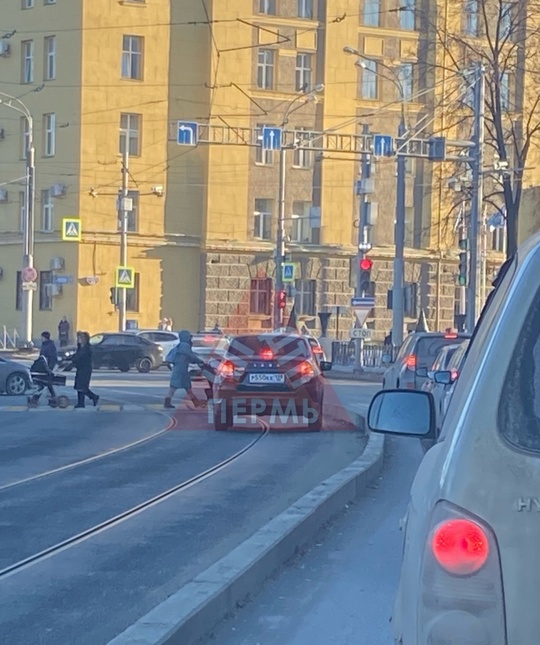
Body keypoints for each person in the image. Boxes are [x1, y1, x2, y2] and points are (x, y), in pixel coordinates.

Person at [164, 330, 206, 409]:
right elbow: (190, 356)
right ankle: (194, 402)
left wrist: (195, 361)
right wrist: (199, 361)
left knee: (179, 387)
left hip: (179, 369)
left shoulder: (180, 345)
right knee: (182, 387)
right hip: (181, 371)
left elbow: (187, 357)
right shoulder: (185, 346)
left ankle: (168, 401)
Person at [71, 331, 99, 408]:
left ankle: (92, 397)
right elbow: (76, 356)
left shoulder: (87, 348)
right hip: (80, 368)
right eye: (78, 338)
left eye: (80, 338)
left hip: (85, 369)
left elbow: (81, 357)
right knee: (79, 386)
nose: (78, 339)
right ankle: (83, 402)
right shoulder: (80, 348)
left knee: (82, 386)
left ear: (84, 339)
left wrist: (74, 360)